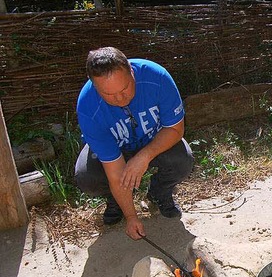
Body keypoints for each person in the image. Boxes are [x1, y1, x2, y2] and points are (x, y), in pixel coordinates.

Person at [74, 47, 194, 240]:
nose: (120, 99)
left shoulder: (157, 77)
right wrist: (132, 217)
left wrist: (144, 157)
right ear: (95, 87)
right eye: (109, 95)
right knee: (87, 176)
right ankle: (116, 201)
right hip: (116, 151)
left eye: (125, 88)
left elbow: (175, 130)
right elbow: (114, 171)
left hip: (153, 142)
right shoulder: (88, 107)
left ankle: (158, 194)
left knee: (182, 159)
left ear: (131, 71)